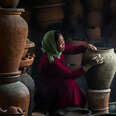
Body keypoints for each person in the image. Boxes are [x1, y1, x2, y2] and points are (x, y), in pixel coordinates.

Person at [37, 30, 103, 112]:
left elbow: (72, 49)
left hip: (57, 80)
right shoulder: (51, 60)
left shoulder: (56, 50)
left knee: (71, 85)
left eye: (63, 41)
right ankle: (66, 110)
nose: (63, 45)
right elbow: (71, 74)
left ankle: (73, 108)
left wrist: (86, 46)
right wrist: (89, 65)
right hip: (48, 87)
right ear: (52, 45)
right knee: (69, 86)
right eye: (60, 43)